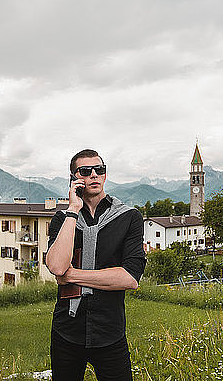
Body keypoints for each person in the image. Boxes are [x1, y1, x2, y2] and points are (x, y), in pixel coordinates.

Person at [45, 149, 146, 381]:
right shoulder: (62, 218)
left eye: (99, 170)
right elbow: (57, 266)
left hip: (110, 332)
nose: (93, 175)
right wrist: (73, 210)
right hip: (66, 331)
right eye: (85, 171)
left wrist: (71, 276)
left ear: (105, 175)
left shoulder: (129, 217)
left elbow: (129, 279)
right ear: (74, 178)